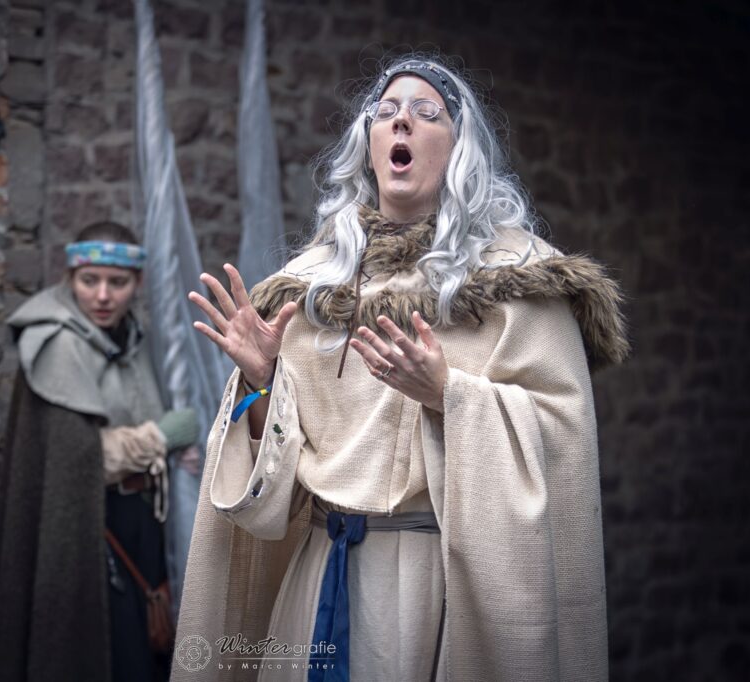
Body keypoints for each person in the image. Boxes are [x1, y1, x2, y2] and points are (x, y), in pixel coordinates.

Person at [173, 54, 629, 681]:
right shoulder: (310, 286)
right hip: (317, 578)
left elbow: (560, 443)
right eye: (385, 112)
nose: (400, 123)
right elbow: (269, 504)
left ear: (461, 145)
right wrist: (262, 383)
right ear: (368, 145)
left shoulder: (521, 279)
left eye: (425, 112)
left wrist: (448, 395)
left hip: (435, 591)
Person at [0, 221, 200, 681]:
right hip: (82, 526)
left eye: (117, 283)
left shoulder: (135, 340)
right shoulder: (56, 345)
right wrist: (159, 439)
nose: (103, 296)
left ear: (137, 283)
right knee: (99, 655)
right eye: (89, 281)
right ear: (70, 278)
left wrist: (177, 455)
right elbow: (77, 459)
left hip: (142, 523)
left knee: (143, 655)